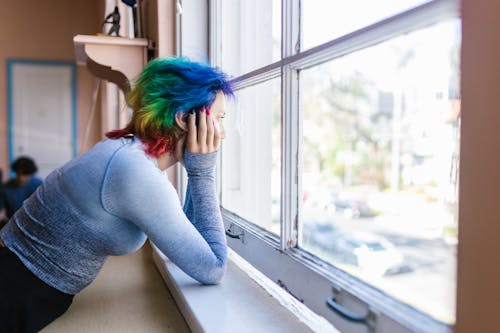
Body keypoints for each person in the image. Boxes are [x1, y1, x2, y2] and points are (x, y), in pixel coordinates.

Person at [0, 57, 233, 333]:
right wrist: (203, 173)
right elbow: (213, 267)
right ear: (185, 119)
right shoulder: (133, 171)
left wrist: (197, 168)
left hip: (23, 284)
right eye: (218, 118)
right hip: (15, 291)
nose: (224, 133)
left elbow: (193, 238)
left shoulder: (130, 156)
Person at [0, 157, 43, 228]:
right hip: (13, 226)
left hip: (35, 224)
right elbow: (1, 212)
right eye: (19, 174)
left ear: (31, 174)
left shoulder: (38, 185)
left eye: (25, 174)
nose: (21, 178)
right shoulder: (5, 188)